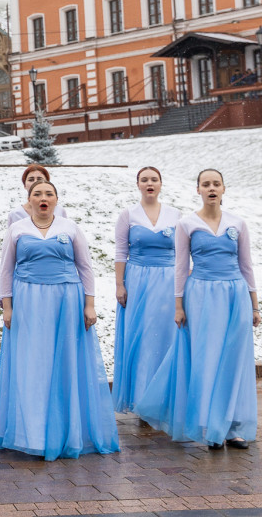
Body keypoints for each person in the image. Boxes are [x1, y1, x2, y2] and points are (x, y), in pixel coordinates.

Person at [0, 182, 118, 460]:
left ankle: (69, 431)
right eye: (37, 194)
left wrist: (90, 304)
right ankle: (33, 433)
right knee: (33, 364)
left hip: (66, 301)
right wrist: (8, 307)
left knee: (65, 363)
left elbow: (85, 267)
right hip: (28, 301)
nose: (43, 198)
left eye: (48, 194)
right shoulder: (17, 229)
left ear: (57, 199)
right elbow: (6, 270)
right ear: (29, 200)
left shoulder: (70, 227)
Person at [136, 169, 259, 450]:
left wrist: (254, 304)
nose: (211, 188)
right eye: (206, 184)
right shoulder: (187, 223)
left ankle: (232, 427)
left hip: (234, 295)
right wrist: (179, 305)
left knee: (234, 360)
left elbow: (247, 265)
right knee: (207, 358)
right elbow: (180, 267)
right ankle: (209, 425)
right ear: (198, 190)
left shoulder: (237, 223)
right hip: (201, 295)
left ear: (224, 189)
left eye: (216, 184)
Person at [112, 166, 182, 414]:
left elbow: (183, 253)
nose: (149, 183)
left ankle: (165, 397)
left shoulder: (176, 215)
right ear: (138, 184)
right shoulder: (128, 215)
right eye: (144, 179)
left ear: (161, 184)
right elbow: (121, 252)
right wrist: (120, 284)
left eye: (154, 179)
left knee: (167, 334)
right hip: (138, 280)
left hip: (168, 280)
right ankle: (141, 398)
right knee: (141, 337)